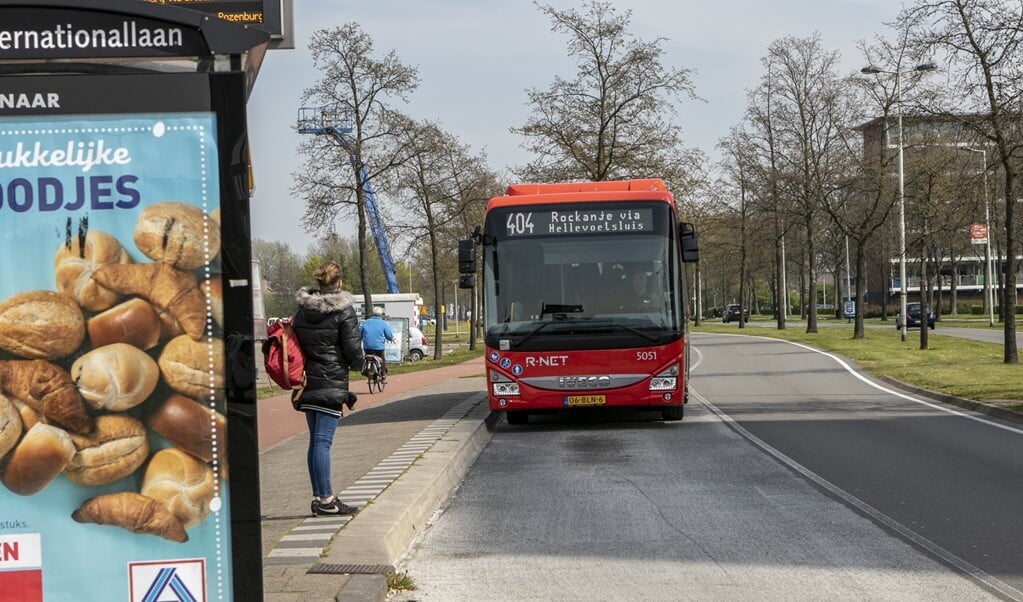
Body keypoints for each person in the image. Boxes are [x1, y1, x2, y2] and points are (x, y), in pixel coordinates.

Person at [292, 261, 365, 517]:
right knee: (323, 442)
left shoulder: (301, 311)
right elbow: (354, 350)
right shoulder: (343, 312)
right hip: (331, 382)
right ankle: (326, 500)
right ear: (340, 283)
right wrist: (360, 364)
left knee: (315, 443)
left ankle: (319, 497)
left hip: (308, 383)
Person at [360, 306, 395, 380]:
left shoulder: (366, 322)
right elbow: (388, 335)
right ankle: (383, 374)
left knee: (367, 356)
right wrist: (390, 338)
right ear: (381, 314)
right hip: (378, 347)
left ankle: (365, 368)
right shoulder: (383, 323)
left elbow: (359, 333)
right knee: (382, 359)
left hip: (367, 346)